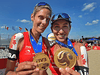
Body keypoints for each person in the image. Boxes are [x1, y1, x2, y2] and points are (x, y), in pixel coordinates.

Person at [5, 2, 52, 75]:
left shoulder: (46, 41)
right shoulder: (18, 38)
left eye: (48, 19)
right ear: (32, 17)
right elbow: (8, 72)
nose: (44, 22)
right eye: (41, 17)